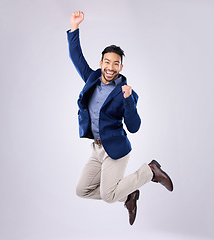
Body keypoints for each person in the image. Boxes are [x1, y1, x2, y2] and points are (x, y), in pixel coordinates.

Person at [67, 11, 173, 225]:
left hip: (115, 150)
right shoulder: (92, 78)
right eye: (107, 62)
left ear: (121, 67)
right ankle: (128, 195)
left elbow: (134, 127)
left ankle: (149, 172)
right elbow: (76, 56)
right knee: (82, 190)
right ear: (101, 62)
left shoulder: (127, 92)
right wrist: (74, 26)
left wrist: (128, 101)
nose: (110, 67)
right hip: (96, 149)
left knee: (108, 196)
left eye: (116, 64)